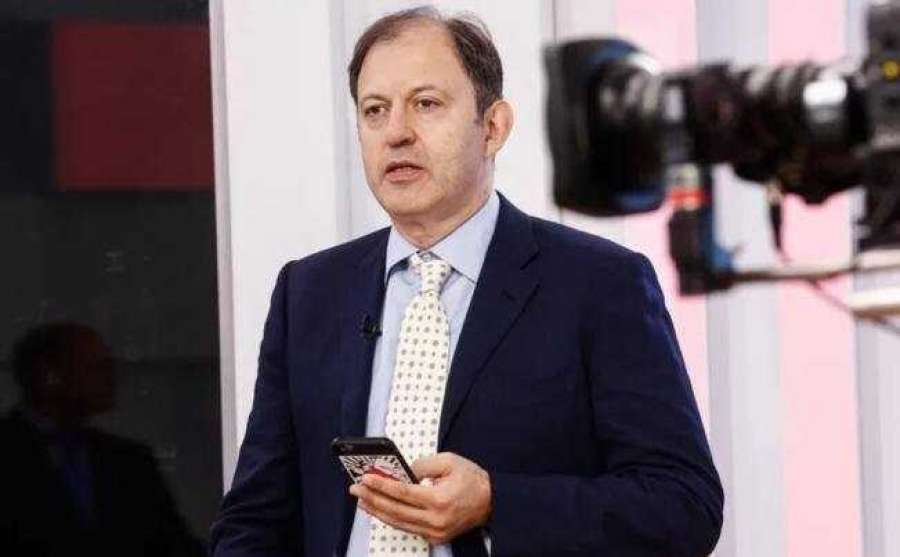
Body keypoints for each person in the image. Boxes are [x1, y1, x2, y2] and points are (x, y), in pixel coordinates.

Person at [210, 7, 723, 557]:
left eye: (426, 104)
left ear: (493, 127)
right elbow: (255, 519)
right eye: (375, 110)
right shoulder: (309, 293)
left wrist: (497, 502)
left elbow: (683, 506)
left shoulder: (600, 284)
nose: (396, 133)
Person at [0, 322, 203, 557]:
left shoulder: (129, 462)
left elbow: (174, 545)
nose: (111, 378)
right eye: (96, 368)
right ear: (50, 376)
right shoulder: (8, 453)